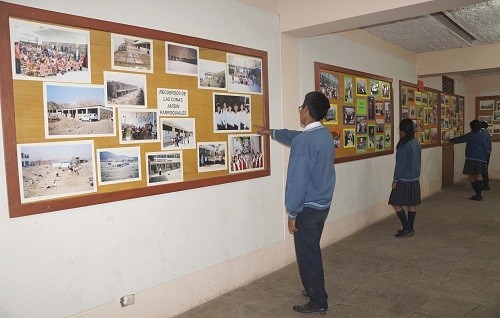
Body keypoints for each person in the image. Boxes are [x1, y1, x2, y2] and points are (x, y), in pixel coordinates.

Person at [256, 91, 335, 315]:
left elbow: (297, 182)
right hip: (322, 205)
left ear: (307, 111)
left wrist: (292, 213)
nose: (300, 111)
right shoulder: (324, 135)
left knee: (308, 254)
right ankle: (313, 287)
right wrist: (272, 133)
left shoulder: (305, 142)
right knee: (311, 249)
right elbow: (296, 137)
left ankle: (318, 300)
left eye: (301, 107)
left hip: (307, 209)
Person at [389, 118, 421, 238]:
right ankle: (410, 228)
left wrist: (395, 180)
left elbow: (400, 166)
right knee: (412, 204)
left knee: (395, 202)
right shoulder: (415, 143)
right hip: (415, 178)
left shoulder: (403, 145)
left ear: (401, 131)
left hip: (404, 180)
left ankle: (407, 228)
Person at [449, 120, 489, 201]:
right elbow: (486, 147)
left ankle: (478, 194)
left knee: (471, 175)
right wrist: (485, 160)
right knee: (479, 175)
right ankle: (479, 194)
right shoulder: (483, 135)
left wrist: (450, 140)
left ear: (472, 127)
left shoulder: (471, 135)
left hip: (471, 158)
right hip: (481, 158)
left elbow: (460, 139)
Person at [480, 121, 492, 190]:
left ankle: (486, 184)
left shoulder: (482, 133)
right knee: (484, 168)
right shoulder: (486, 133)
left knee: (483, 169)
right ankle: (485, 183)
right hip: (487, 153)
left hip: (483, 153)